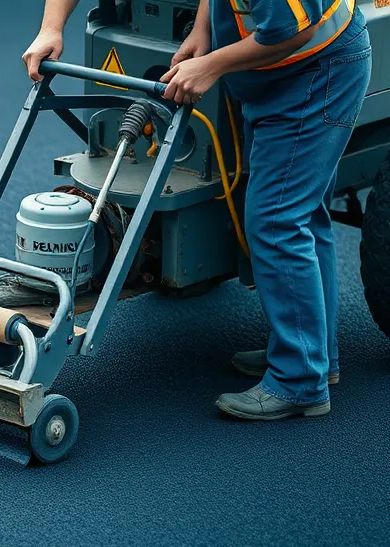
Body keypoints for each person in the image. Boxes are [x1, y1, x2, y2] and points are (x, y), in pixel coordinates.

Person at [23, 0, 371, 420]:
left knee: (279, 221)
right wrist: (51, 28)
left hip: (315, 74)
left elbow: (291, 32)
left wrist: (211, 65)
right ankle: (312, 352)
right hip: (281, 72)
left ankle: (300, 381)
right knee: (303, 216)